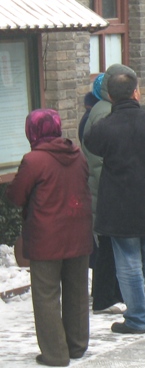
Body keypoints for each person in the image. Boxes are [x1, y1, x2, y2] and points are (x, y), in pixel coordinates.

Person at [85, 70, 145, 335]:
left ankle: (137, 318)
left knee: (128, 265)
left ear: (111, 97)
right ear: (137, 92)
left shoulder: (104, 127)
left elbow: (90, 143)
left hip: (119, 207)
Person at [6, 109, 92, 367]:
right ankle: (77, 345)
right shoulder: (79, 156)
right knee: (77, 291)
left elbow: (16, 196)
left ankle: (55, 354)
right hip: (79, 232)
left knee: (46, 295)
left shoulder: (33, 161)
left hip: (46, 237)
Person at [82, 66, 134, 317]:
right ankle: (105, 296)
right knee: (108, 245)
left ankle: (112, 293)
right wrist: (118, 187)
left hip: (107, 190)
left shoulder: (103, 110)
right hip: (106, 191)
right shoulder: (105, 114)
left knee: (110, 244)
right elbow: (99, 161)